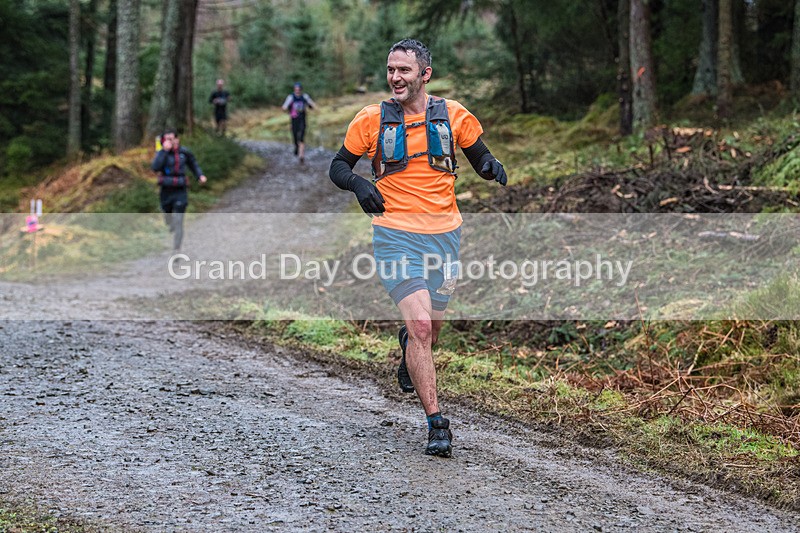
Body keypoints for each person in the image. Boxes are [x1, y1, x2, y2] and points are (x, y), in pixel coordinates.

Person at [328, 39, 507, 457]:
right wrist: (358, 184)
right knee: (423, 326)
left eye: (404, 70)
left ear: (425, 74)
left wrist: (489, 167)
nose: (395, 77)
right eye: (391, 69)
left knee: (432, 329)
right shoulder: (371, 119)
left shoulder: (453, 114)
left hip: (445, 235)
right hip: (394, 234)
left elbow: (479, 155)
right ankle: (436, 424)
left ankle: (409, 348)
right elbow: (338, 165)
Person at [151, 129, 207, 251]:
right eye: (167, 140)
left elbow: (193, 164)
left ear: (177, 139)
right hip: (166, 189)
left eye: (172, 139)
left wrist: (200, 176)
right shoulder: (162, 153)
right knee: (167, 212)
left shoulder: (184, 152)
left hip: (180, 189)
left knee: (179, 221)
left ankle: (177, 249)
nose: (170, 142)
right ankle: (169, 221)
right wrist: (164, 151)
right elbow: (155, 167)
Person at [281, 82, 316, 164]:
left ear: (301, 90)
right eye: (296, 90)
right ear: (294, 90)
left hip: (302, 119)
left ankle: (301, 155)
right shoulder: (291, 97)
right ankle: (296, 147)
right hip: (294, 120)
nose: (297, 91)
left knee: (301, 137)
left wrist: (311, 106)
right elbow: (284, 107)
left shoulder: (305, 96)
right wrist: (286, 108)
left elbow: (312, 104)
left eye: (299, 89)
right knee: (295, 136)